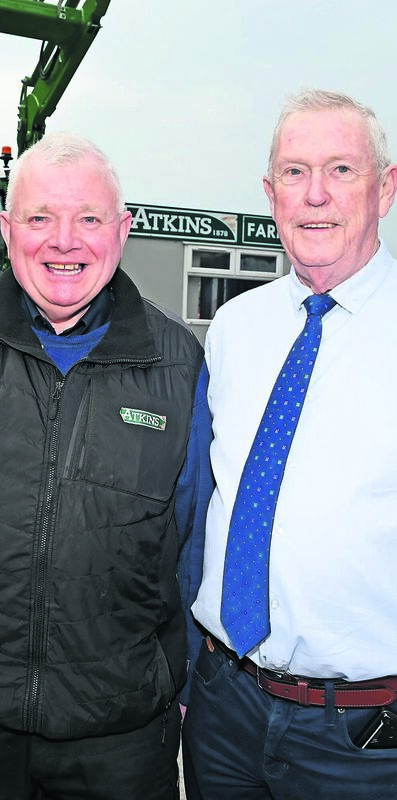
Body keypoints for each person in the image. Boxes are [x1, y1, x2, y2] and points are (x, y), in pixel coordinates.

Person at [179, 89, 397, 799]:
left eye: (340, 170)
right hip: (222, 706)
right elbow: (203, 505)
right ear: (271, 195)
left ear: (385, 188)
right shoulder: (236, 328)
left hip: (360, 741)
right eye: (294, 173)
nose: (314, 195)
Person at [0, 131, 203, 800]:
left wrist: (177, 687)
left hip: (121, 741)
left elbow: (196, 546)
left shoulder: (180, 366)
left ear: (123, 231)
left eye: (88, 218)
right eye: (39, 218)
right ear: (7, 228)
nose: (64, 240)